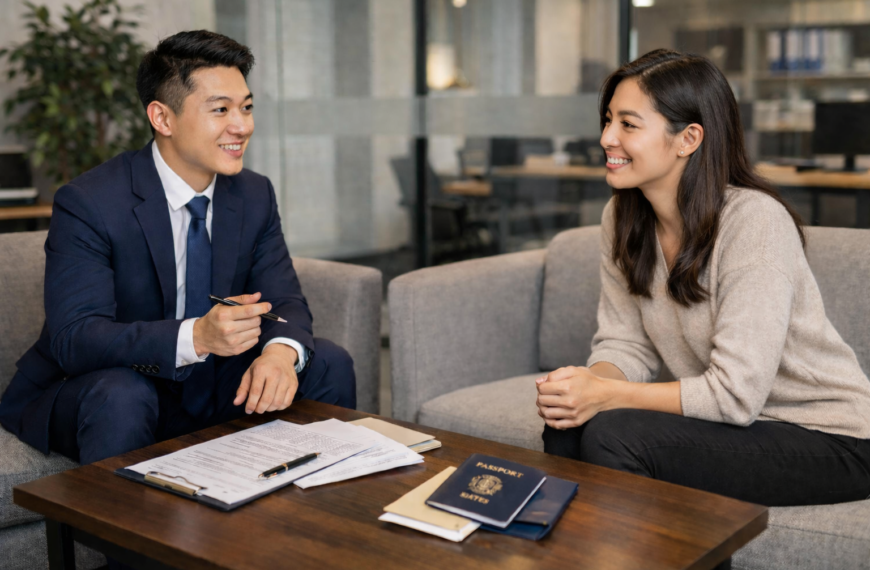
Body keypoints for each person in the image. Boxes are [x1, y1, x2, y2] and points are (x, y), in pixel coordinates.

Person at [0, 30, 356, 467]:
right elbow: (74, 338)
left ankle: (310, 522)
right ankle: (121, 535)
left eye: (246, 107)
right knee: (122, 395)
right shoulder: (89, 202)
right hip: (114, 384)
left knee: (326, 362)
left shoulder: (253, 194)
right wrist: (197, 337)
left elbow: (283, 301)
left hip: (208, 383)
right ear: (162, 118)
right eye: (220, 110)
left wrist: (280, 354)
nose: (242, 126)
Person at [537, 49, 870, 507]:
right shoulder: (623, 216)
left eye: (628, 125)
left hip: (830, 437)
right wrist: (584, 391)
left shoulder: (754, 223)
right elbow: (624, 344)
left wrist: (609, 395)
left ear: (688, 138)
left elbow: (736, 395)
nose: (607, 138)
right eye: (607, 119)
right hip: (738, 425)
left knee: (618, 435)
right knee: (568, 429)